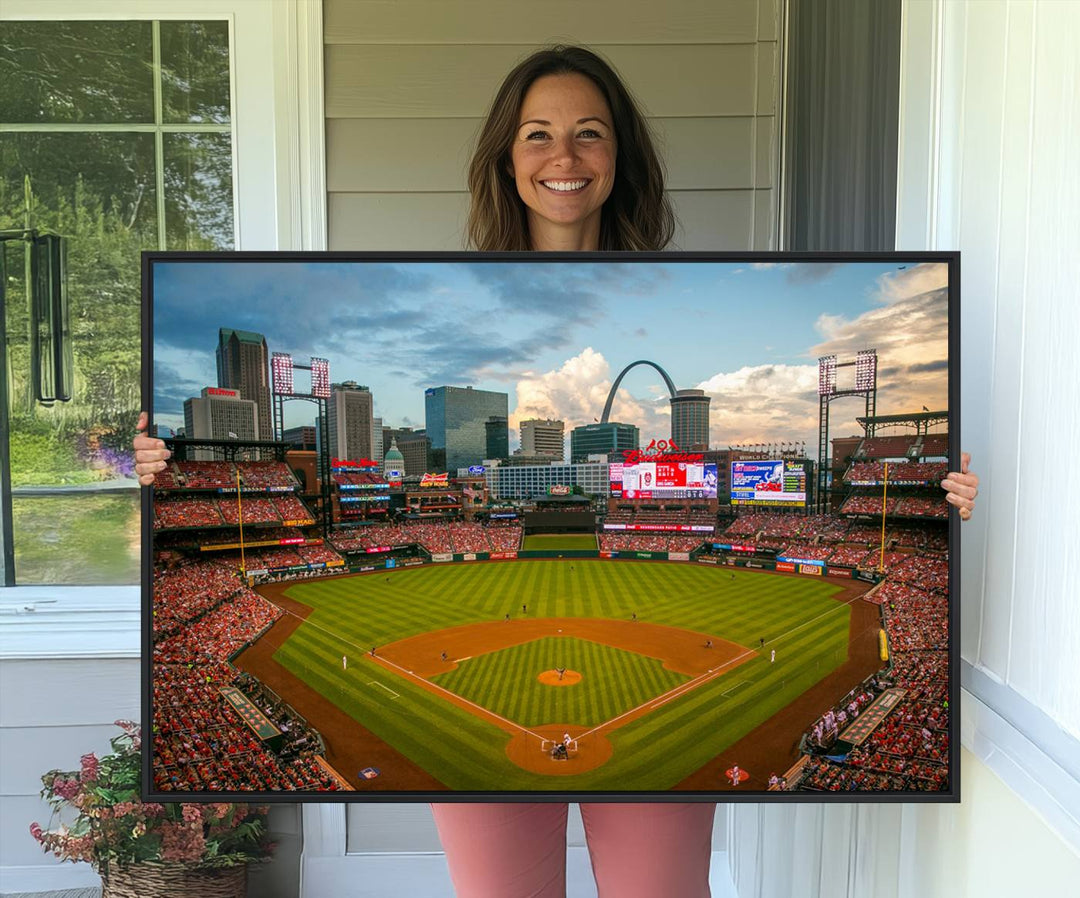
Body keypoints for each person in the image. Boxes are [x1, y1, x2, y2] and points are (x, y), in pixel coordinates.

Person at [133, 43, 980, 898]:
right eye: (537, 134)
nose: (563, 157)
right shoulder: (454, 278)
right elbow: (136, 484)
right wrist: (147, 465)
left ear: (621, 157)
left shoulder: (684, 280)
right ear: (506, 157)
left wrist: (938, 495)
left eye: (590, 134)